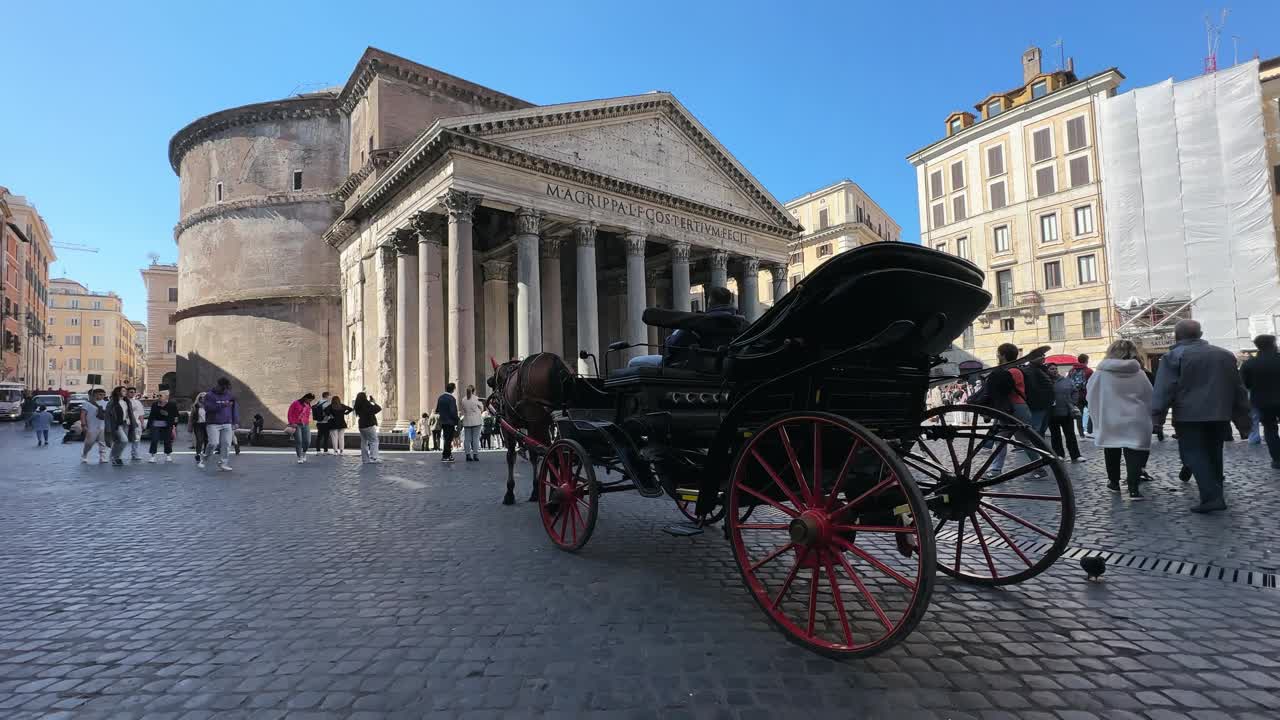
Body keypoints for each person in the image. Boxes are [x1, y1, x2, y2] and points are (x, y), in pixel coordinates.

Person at [1152, 320, 1250, 513]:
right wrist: (1243, 421)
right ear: (1200, 334)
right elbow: (1238, 389)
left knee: (1193, 453)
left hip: (1189, 415)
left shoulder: (1173, 356)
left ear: (1176, 335)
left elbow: (1163, 390)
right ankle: (1216, 491)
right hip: (1220, 414)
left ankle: (1212, 497)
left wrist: (1157, 419)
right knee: (1214, 453)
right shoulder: (1224, 355)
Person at [1087, 340, 1153, 500]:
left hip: (1110, 416)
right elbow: (1149, 395)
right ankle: (1133, 489)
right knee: (1134, 452)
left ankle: (1114, 482)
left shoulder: (1100, 373)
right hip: (1136, 416)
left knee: (1111, 449)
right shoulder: (1139, 372)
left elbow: (1090, 394)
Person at [629, 286, 747, 368]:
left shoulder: (698, 321)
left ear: (709, 301)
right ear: (730, 301)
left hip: (692, 367)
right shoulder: (743, 324)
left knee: (633, 362)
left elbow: (672, 345)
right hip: (724, 369)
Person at [980, 343, 1045, 479]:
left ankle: (1037, 468)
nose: (997, 355)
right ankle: (1036, 468)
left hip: (1013, 408)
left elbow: (1002, 391)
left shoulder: (1011, 372)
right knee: (1008, 439)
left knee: (1019, 440)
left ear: (1003, 355)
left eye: (998, 353)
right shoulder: (1013, 370)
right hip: (1015, 407)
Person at [1240, 333, 1280, 469]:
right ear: (1273, 344)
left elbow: (1245, 384)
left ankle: (1277, 459)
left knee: (1270, 429)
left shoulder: (1249, 364)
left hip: (1263, 401)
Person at [200, 377, 238, 472]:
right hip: (213, 423)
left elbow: (234, 409)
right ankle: (205, 458)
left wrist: (235, 421)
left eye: (226, 389)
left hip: (227, 423)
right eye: (223, 388)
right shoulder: (209, 395)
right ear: (218, 386)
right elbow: (208, 409)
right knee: (213, 443)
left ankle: (223, 463)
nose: (224, 390)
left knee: (226, 444)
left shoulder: (229, 395)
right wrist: (223, 405)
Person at [1047, 365, 1082, 462]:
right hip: (1052, 413)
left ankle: (1075, 455)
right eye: (1051, 369)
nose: (1054, 370)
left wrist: (1073, 402)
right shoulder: (1045, 381)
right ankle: (1059, 454)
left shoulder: (1066, 380)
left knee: (1070, 434)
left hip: (1066, 412)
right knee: (1055, 435)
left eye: (1055, 368)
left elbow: (1075, 391)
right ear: (1047, 371)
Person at [1021, 356, 1055, 435]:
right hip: (1037, 405)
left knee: (1040, 430)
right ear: (1032, 358)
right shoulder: (1029, 370)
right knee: (1035, 430)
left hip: (1045, 405)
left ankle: (1039, 446)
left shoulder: (1041, 369)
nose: (1043, 357)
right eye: (1040, 355)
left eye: (1044, 355)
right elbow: (1033, 388)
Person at [106, 386, 136, 467]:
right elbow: (107, 415)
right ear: (118, 392)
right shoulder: (112, 402)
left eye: (125, 391)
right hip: (116, 424)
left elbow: (130, 413)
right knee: (124, 440)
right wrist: (108, 427)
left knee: (119, 441)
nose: (125, 392)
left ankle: (116, 457)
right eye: (123, 391)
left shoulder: (127, 401)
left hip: (126, 423)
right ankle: (114, 457)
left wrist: (133, 422)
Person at [146, 392, 179, 462]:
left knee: (167, 440)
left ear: (166, 397)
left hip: (167, 424)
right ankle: (152, 456)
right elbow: (151, 415)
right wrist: (149, 425)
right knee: (154, 439)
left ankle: (168, 455)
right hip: (155, 424)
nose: (159, 397)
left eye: (160, 396)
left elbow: (176, 416)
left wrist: (174, 425)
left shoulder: (172, 405)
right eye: (158, 395)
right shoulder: (155, 404)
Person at [80, 387, 109, 464]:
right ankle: (84, 454)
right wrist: (83, 425)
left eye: (103, 395)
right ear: (94, 394)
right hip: (92, 426)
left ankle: (103, 457)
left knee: (102, 442)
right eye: (100, 394)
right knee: (89, 443)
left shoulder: (106, 403)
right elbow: (83, 414)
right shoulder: (88, 403)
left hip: (103, 425)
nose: (102, 396)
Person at [1069, 354, 1094, 436]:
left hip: (1076, 396)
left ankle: (1081, 435)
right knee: (1094, 412)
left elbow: (1068, 383)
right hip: (1087, 395)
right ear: (1086, 360)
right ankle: (1090, 430)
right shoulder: (1089, 371)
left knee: (1079, 415)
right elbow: (1093, 384)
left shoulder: (1071, 371)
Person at [352, 392, 382, 463]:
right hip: (368, 424)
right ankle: (374, 457)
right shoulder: (366, 403)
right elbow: (378, 409)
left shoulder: (357, 405)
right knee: (374, 441)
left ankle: (365, 459)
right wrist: (374, 402)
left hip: (361, 425)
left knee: (364, 442)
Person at [287, 393, 315, 463]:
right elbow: (290, 413)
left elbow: (308, 414)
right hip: (296, 424)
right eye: (309, 400)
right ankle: (299, 457)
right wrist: (291, 422)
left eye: (311, 400)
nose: (310, 402)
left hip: (305, 424)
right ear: (305, 398)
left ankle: (304, 453)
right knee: (299, 441)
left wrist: (309, 421)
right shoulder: (295, 403)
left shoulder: (308, 405)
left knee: (307, 441)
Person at [435, 383, 459, 462]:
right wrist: (456, 420)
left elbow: (437, 410)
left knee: (446, 438)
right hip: (450, 421)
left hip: (443, 421)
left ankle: (447, 454)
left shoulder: (440, 398)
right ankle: (446, 455)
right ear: (453, 389)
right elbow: (453, 411)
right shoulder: (451, 399)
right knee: (449, 439)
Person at [460, 385, 484, 462]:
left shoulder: (463, 399)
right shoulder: (476, 398)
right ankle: (475, 455)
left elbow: (463, 409)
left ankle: (467, 455)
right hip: (476, 420)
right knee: (475, 439)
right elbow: (482, 408)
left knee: (467, 439)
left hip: (467, 420)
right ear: (474, 391)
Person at [126, 386, 146, 462]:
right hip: (125, 422)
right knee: (122, 440)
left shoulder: (138, 402)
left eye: (134, 392)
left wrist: (142, 423)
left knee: (137, 439)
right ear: (127, 392)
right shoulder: (123, 401)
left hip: (136, 423)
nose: (133, 393)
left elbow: (141, 414)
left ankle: (135, 454)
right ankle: (117, 454)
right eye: (131, 392)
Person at [189, 391, 208, 464]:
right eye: (201, 397)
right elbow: (191, 417)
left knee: (207, 439)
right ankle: (198, 454)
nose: (203, 399)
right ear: (199, 398)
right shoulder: (195, 406)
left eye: (205, 397)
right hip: (198, 425)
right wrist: (190, 427)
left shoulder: (209, 406)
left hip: (207, 424)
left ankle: (205, 452)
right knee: (199, 439)